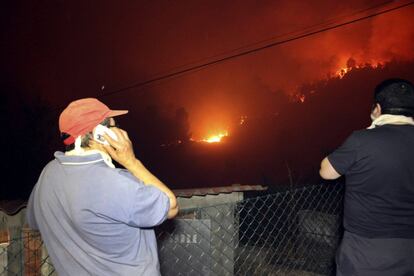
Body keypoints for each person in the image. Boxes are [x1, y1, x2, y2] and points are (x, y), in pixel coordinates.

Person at [27, 98, 178, 276]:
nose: (120, 131)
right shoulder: (114, 183)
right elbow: (171, 206)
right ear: (99, 133)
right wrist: (131, 162)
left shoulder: (47, 174)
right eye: (114, 126)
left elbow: (34, 221)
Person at [319, 78, 414, 276]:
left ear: (377, 109)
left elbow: (326, 172)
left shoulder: (362, 140)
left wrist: (370, 130)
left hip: (365, 250)